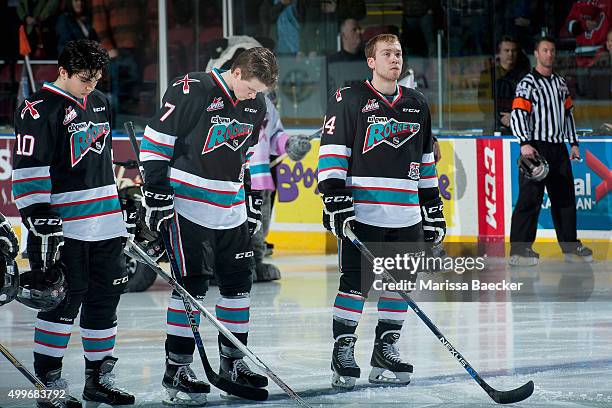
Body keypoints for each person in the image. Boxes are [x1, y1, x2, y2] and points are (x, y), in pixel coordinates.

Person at [139, 47, 278, 405]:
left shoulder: (256, 105)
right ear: (235, 71)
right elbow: (156, 140)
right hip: (188, 206)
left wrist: (247, 201)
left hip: (229, 209)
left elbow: (242, 159)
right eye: (250, 87)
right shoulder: (193, 89)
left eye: (259, 91)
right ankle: (178, 367)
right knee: (192, 286)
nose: (254, 96)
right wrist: (155, 191)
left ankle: (233, 362)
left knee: (238, 285)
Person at [317, 34, 446, 390]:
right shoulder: (349, 99)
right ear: (371, 61)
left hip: (406, 216)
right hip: (364, 214)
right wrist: (335, 199)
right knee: (355, 285)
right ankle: (343, 349)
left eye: (399, 53)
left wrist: (432, 209)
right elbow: (331, 154)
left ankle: (385, 349)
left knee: (400, 287)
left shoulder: (418, 104)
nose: (395, 59)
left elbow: (426, 162)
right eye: (386, 54)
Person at [11, 39, 134, 407]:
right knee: (61, 305)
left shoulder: (99, 102)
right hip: (64, 230)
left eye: (96, 77)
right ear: (62, 71)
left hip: (106, 224)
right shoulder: (37, 109)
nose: (91, 84)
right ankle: (49, 387)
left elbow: (101, 159)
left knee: (104, 303)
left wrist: (122, 196)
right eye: (84, 77)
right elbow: (28, 170)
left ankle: (99, 380)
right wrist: (36, 212)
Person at [509, 35, 593, 266]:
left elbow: (568, 115)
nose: (549, 54)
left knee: (564, 198)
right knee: (529, 199)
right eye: (545, 50)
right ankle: (519, 250)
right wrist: (524, 142)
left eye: (552, 51)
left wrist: (573, 143)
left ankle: (570, 247)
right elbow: (518, 115)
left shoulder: (560, 83)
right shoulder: (527, 83)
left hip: (558, 148)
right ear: (536, 53)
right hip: (534, 148)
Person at [91, 0, 144, 117]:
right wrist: (108, 46)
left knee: (135, 91)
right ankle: (123, 125)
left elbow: (141, 14)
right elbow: (99, 20)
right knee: (122, 92)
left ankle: (131, 123)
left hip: (136, 46)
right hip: (119, 49)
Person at [478, 35, 530, 134]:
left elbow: (529, 103)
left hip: (518, 126)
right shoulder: (487, 75)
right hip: (492, 126)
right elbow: (483, 104)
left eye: (513, 50)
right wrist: (501, 118)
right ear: (499, 53)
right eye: (506, 50)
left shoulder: (525, 76)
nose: (510, 54)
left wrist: (513, 116)